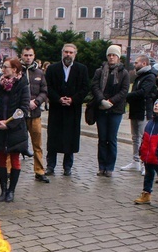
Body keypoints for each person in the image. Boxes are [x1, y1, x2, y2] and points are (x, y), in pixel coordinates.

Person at [45, 44, 89, 176]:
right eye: (66, 52)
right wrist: (58, 99)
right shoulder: (52, 69)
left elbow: (85, 87)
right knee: (53, 137)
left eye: (71, 52)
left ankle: (67, 166)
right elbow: (48, 87)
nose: (68, 55)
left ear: (75, 54)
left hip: (72, 110)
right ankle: (50, 165)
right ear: (62, 53)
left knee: (70, 137)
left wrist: (73, 99)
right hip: (56, 109)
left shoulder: (82, 69)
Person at [0, 57, 30, 203]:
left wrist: (9, 124)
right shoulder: (0, 86)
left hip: (15, 129)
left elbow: (23, 109)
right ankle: (3, 190)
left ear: (15, 69)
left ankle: (11, 191)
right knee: (1, 158)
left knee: (14, 158)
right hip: (0, 128)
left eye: (6, 67)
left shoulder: (22, 85)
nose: (3, 69)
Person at [90, 45, 130, 177]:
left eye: (114, 55)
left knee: (111, 139)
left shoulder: (124, 73)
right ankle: (101, 166)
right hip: (101, 108)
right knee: (102, 139)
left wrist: (111, 102)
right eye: (109, 55)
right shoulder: (100, 71)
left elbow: (124, 91)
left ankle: (110, 167)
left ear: (118, 57)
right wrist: (101, 100)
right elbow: (94, 86)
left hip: (115, 110)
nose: (111, 57)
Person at [123, 55, 157, 173]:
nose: (134, 64)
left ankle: (144, 163)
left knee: (144, 138)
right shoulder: (139, 76)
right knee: (135, 137)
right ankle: (135, 161)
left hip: (144, 111)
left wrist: (126, 96)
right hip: (135, 110)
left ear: (144, 63)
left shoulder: (150, 76)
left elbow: (143, 92)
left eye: (136, 62)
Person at [21, 47, 50, 183]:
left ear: (34, 56)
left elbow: (44, 91)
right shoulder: (17, 71)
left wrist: (37, 102)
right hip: (20, 115)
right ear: (21, 56)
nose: (28, 57)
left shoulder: (39, 72)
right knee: (15, 143)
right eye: (26, 55)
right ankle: (9, 170)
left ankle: (39, 171)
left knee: (37, 144)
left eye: (30, 55)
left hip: (35, 113)